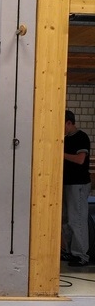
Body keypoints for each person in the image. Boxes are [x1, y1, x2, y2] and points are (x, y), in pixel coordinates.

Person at [62, 109, 92, 267]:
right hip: (67, 183)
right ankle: (69, 251)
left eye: (62, 124)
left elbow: (80, 159)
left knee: (77, 219)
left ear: (69, 122)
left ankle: (81, 255)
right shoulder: (65, 139)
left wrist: (61, 154)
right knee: (66, 220)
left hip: (78, 184)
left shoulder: (81, 137)